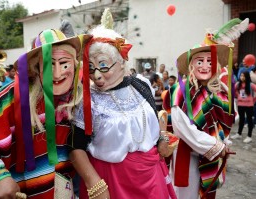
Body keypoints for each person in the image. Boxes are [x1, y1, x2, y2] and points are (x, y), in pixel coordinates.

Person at [0, 29, 92, 198]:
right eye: (48, 64)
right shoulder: (15, 95)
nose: (57, 73)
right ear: (35, 67)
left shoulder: (79, 96)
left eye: (64, 64)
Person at [68, 8, 176, 199]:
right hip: (111, 181)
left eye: (103, 65)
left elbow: (153, 123)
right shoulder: (88, 99)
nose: (97, 75)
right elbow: (76, 148)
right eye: (91, 68)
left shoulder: (142, 85)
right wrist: (94, 182)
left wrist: (162, 140)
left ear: (121, 60)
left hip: (151, 177)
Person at [163, 38, 235, 198]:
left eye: (210, 61)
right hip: (188, 157)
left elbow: (226, 122)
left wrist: (223, 141)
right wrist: (217, 147)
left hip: (212, 157)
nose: (205, 65)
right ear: (191, 65)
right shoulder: (180, 90)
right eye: (199, 61)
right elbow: (183, 130)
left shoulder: (220, 92)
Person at [231, 71, 256, 143]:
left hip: (249, 105)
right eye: (241, 75)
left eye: (244, 76)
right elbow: (234, 91)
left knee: (249, 120)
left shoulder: (251, 85)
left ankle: (249, 136)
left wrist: (253, 100)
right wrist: (238, 95)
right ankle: (239, 133)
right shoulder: (238, 84)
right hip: (240, 105)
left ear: (247, 77)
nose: (242, 77)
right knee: (241, 119)